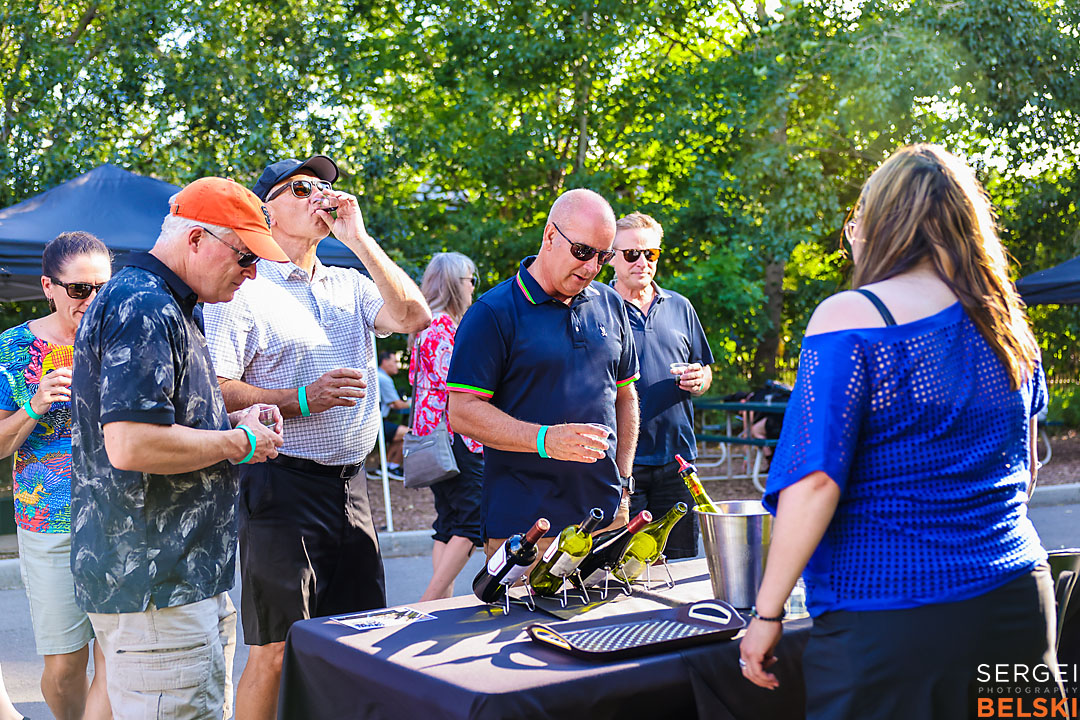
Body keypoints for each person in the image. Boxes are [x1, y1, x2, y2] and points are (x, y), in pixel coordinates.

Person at [738, 144, 1061, 717]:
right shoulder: (1006, 322)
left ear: (884, 222)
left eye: (858, 219)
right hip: (1018, 597)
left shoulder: (852, 316)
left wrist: (767, 614)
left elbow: (814, 483)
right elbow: (1026, 469)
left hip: (892, 616)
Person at [202, 154, 431, 720]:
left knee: (356, 642)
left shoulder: (351, 283)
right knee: (276, 650)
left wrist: (360, 238)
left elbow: (414, 316)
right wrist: (300, 400)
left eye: (325, 186)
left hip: (350, 488)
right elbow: (217, 386)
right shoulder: (246, 285)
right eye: (300, 187)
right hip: (280, 485)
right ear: (267, 210)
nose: (319, 195)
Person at [70, 177, 287, 720]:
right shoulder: (146, 305)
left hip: (174, 580)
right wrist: (240, 442)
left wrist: (231, 417)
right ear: (196, 239)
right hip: (157, 583)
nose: (252, 272)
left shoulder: (165, 301)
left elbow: (156, 420)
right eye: (244, 256)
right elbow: (131, 443)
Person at [447, 188, 640, 556]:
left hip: (608, 517)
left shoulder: (611, 303)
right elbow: (462, 412)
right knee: (525, 616)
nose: (591, 267)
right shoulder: (493, 312)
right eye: (582, 252)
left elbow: (627, 395)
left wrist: (624, 479)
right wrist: (544, 440)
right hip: (529, 525)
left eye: (603, 256)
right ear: (550, 236)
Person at [0, 232, 112, 720]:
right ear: (49, 286)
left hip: (122, 515)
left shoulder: (121, 337)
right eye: (79, 290)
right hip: (51, 521)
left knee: (118, 656)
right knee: (66, 664)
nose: (92, 301)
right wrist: (36, 404)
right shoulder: (15, 348)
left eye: (101, 289)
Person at [610, 212, 713, 559]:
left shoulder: (680, 306)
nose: (642, 262)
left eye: (650, 253)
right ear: (610, 256)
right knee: (623, 567)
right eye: (631, 254)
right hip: (622, 463)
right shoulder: (597, 308)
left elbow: (706, 368)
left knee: (681, 562)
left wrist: (701, 378)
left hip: (679, 461)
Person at [410, 253, 485, 600]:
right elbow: (456, 385)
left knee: (448, 522)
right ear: (457, 284)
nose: (473, 287)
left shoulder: (424, 326)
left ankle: (441, 601)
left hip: (433, 436)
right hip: (456, 436)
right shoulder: (444, 328)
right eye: (471, 280)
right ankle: (429, 601)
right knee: (472, 521)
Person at [373, 350, 408, 479]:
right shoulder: (384, 379)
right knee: (408, 433)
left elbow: (392, 404)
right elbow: (398, 404)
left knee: (400, 435)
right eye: (394, 361)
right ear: (384, 361)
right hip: (377, 423)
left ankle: (386, 467)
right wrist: (413, 402)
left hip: (374, 421)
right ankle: (392, 467)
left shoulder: (376, 374)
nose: (397, 365)